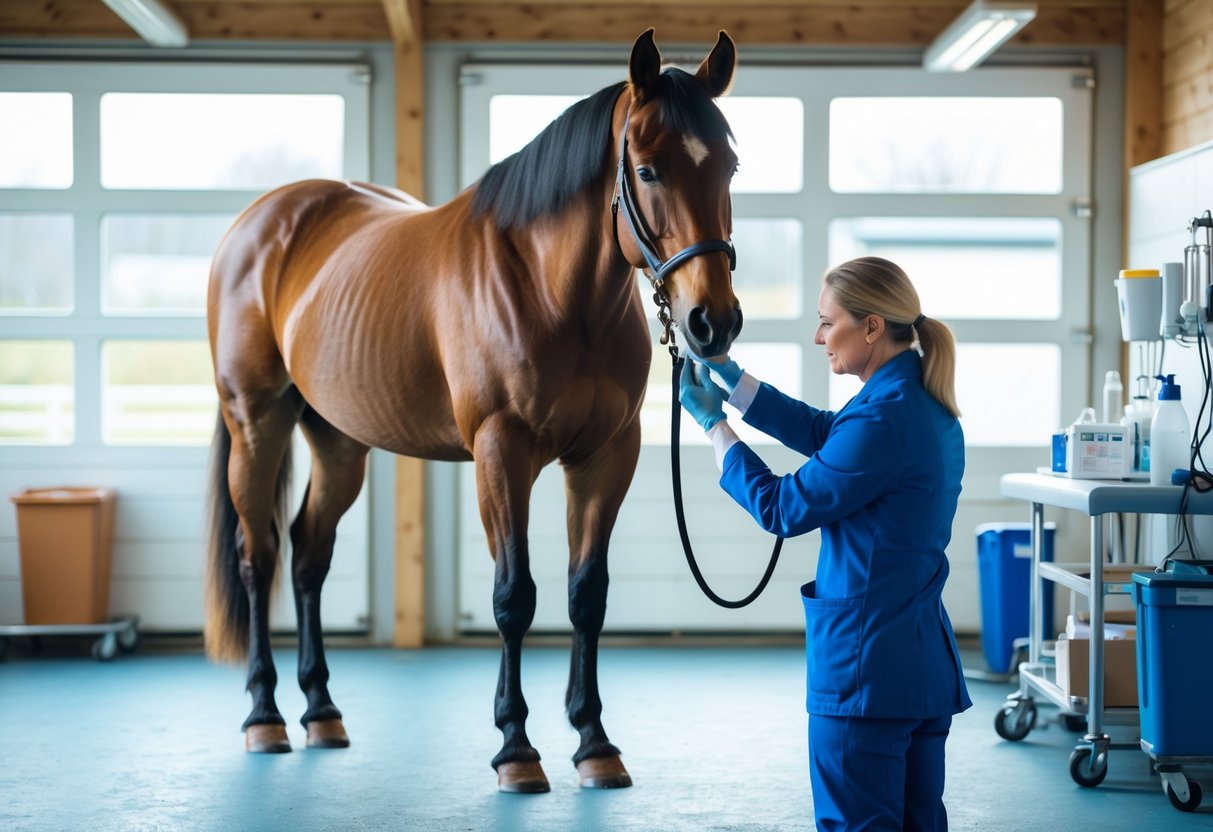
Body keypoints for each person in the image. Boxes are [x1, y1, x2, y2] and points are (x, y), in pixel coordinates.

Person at [679, 256, 972, 832]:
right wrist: (732, 380)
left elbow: (781, 508)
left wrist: (717, 429)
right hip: (916, 670)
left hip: (866, 675)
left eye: (826, 322)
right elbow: (827, 434)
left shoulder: (883, 419)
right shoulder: (919, 402)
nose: (817, 337)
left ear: (870, 328)